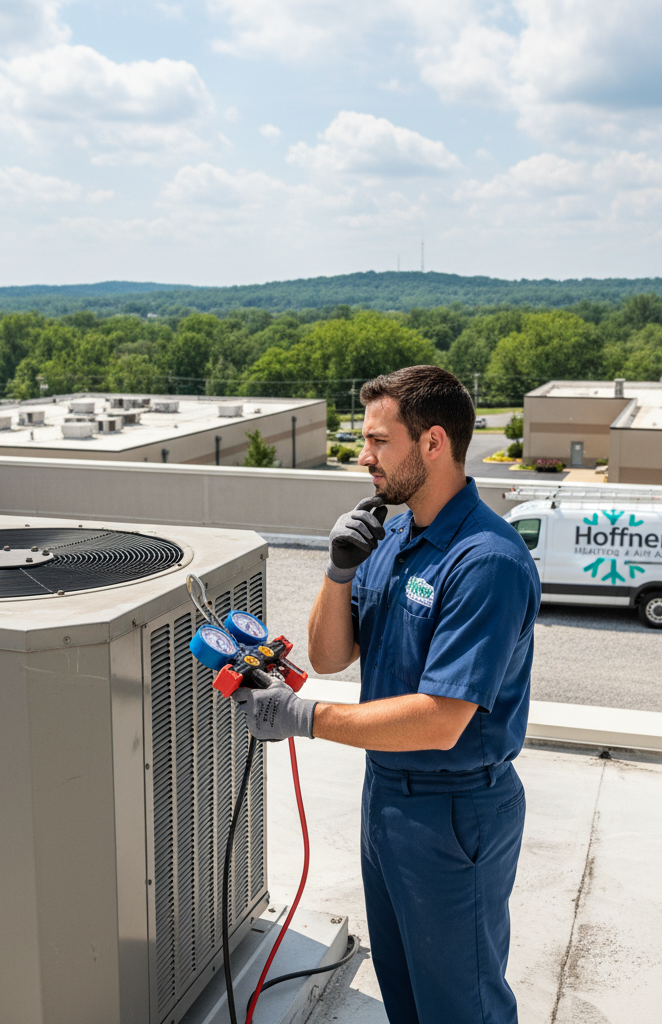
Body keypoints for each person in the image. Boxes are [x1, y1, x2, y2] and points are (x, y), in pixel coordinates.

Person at [231, 365, 540, 1023]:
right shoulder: (390, 535)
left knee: (461, 1004)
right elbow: (329, 654)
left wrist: (300, 716)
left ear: (432, 443)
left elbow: (440, 721)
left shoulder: (485, 560)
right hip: (387, 800)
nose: (363, 457)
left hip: (455, 812)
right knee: (404, 995)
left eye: (378, 442)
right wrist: (338, 569)